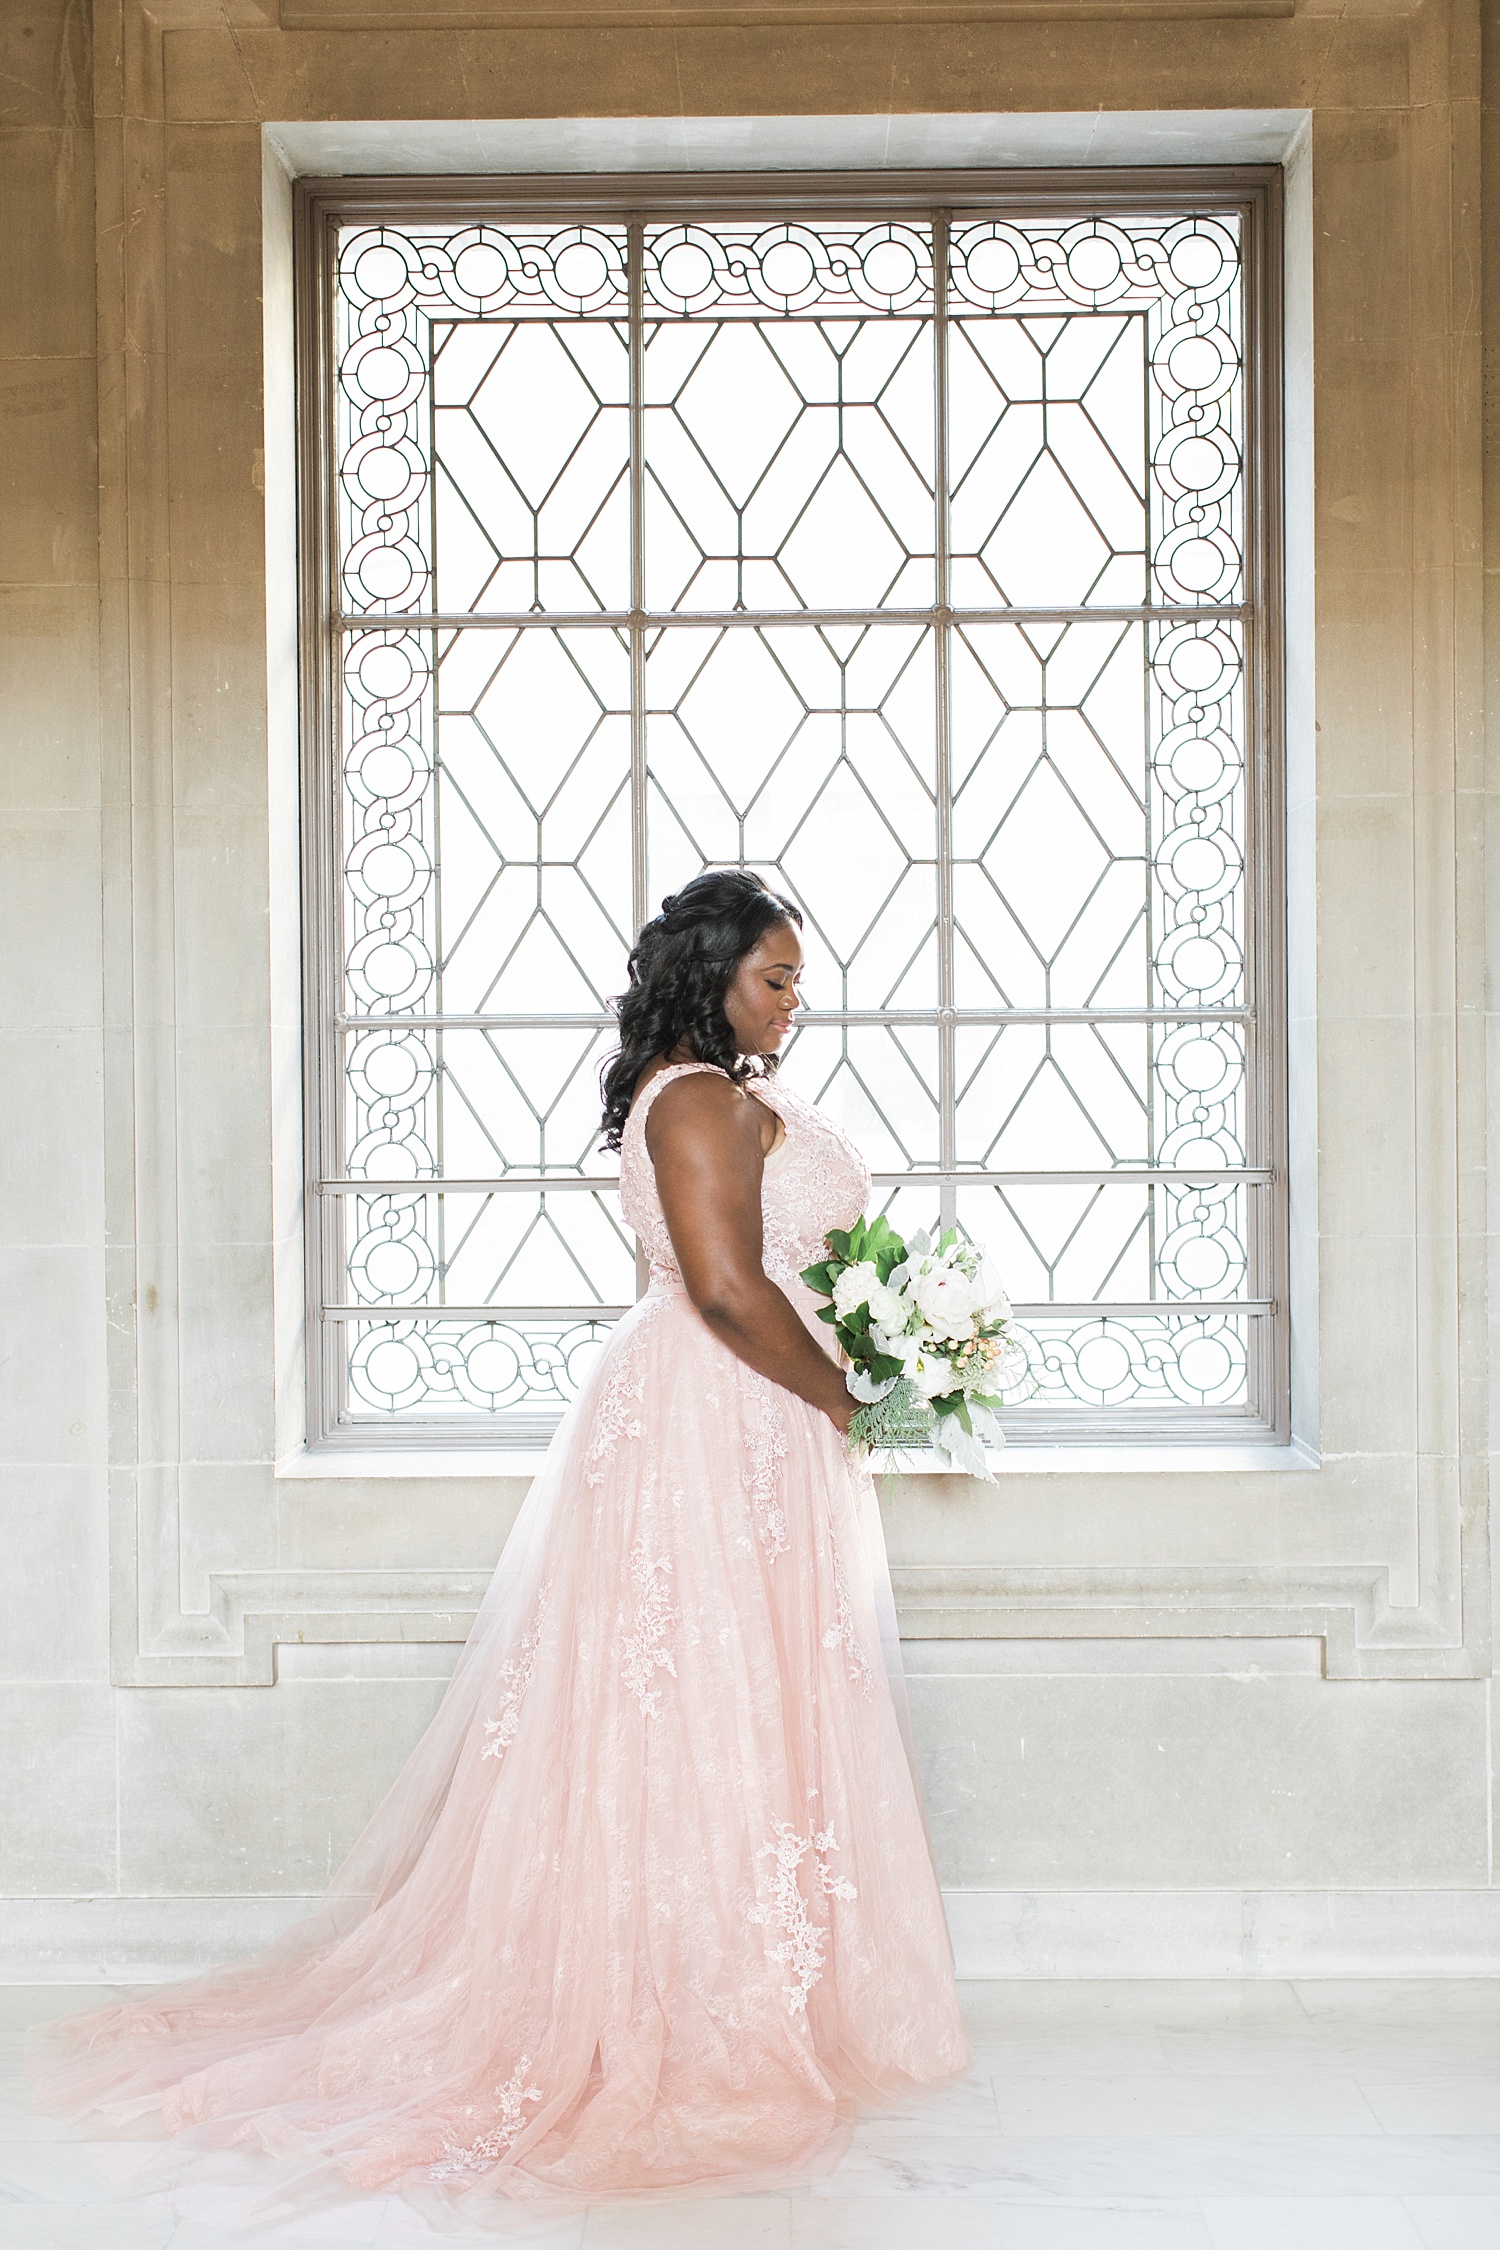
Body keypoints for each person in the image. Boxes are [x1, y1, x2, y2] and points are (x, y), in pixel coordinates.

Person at [29, 868, 971, 2215]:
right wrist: (845, 1393)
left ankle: (749, 1981)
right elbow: (719, 1286)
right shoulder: (697, 1098)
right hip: (717, 1416)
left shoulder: (725, 1090)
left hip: (753, 1422)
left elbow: (785, 1267)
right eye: (774, 978)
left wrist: (867, 1351)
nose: (793, 1002)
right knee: (691, 1705)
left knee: (745, 1702)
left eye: (800, 982)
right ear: (709, 973)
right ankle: (676, 2003)